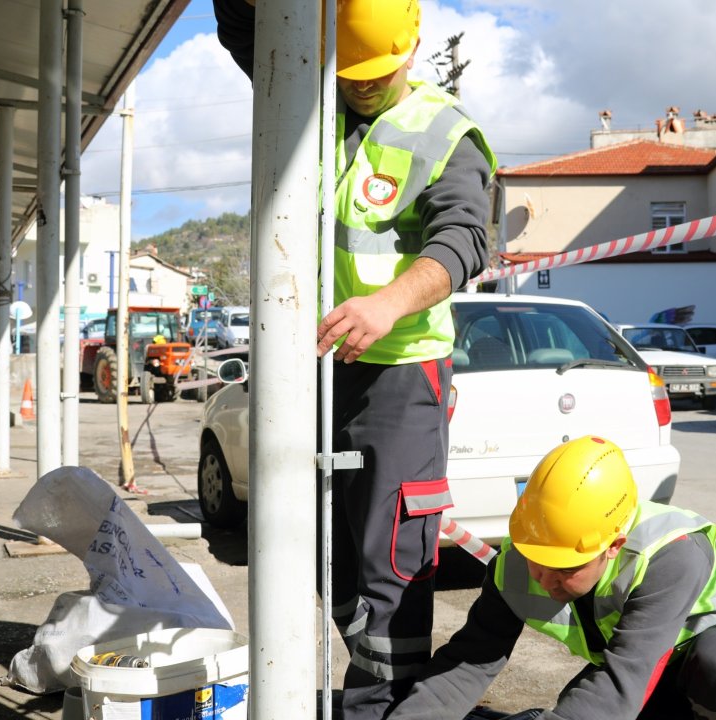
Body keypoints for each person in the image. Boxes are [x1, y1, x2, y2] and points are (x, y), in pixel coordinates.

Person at [212, 1, 497, 718]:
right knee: (304, 534)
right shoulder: (314, 91)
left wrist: (387, 303)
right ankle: (364, 669)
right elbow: (250, 30)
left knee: (391, 562)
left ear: (411, 49)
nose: (361, 86)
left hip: (400, 375)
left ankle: (382, 707)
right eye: (351, 72)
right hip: (309, 369)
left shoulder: (445, 134)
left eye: (374, 74)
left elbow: (464, 242)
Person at [388, 436, 716, 720]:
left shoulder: (672, 552)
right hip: (648, 670)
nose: (544, 579)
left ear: (613, 545)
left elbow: (624, 678)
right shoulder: (514, 565)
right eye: (535, 559)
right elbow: (467, 664)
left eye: (565, 567)